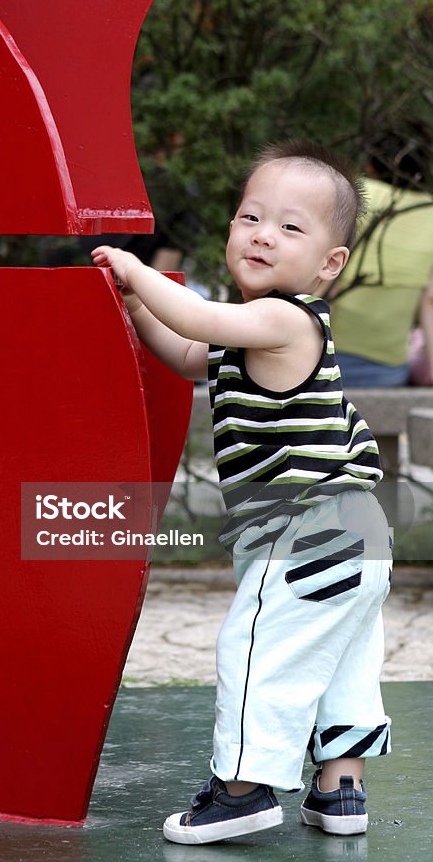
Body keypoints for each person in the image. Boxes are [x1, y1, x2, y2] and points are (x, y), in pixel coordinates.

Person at [91, 140, 392, 845]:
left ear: (329, 264)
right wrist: (137, 310)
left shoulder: (288, 319)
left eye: (291, 226)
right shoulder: (247, 332)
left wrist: (142, 269)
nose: (262, 233)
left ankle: (243, 789)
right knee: (340, 660)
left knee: (257, 648)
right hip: (351, 533)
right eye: (250, 216)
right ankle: (340, 787)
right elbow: (190, 351)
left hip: (306, 534)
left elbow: (199, 320)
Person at [331, 143, 433, 387]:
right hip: (389, 369)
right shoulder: (429, 210)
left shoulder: (359, 192)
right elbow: (429, 301)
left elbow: (328, 277)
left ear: (370, 165)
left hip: (331, 353)